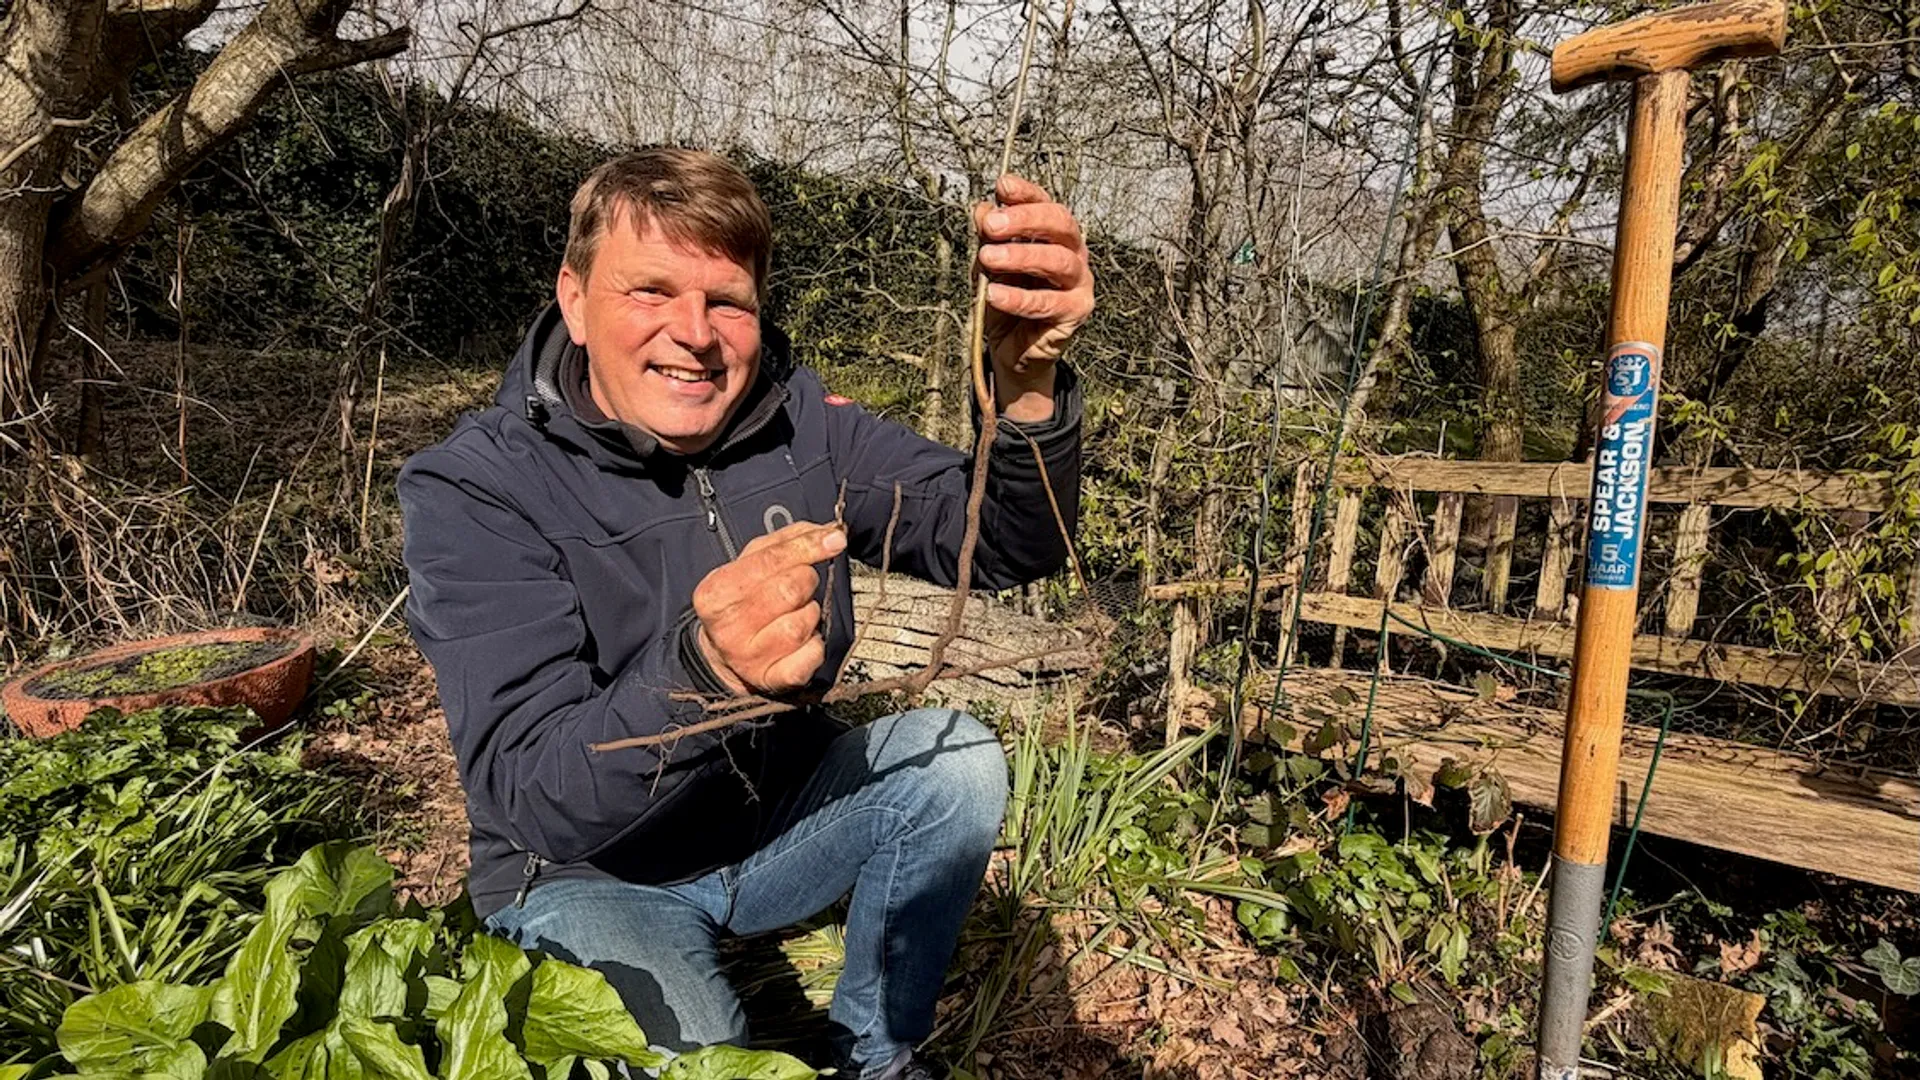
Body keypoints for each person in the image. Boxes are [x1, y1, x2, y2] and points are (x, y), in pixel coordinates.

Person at [397, 147, 1093, 1080]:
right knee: (703, 1069)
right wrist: (700, 673)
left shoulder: (802, 422)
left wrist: (1027, 393)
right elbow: (532, 794)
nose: (695, 333)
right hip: (593, 876)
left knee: (957, 760)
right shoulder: (477, 487)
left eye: (728, 301)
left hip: (774, 828)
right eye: (650, 291)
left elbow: (1005, 544)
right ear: (573, 298)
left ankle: (879, 1057)